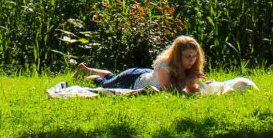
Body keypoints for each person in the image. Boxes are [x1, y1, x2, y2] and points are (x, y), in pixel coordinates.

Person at [75, 35, 206, 93]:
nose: (192, 60)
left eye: (195, 56)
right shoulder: (165, 64)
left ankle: (86, 69)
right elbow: (167, 90)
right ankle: (92, 76)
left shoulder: (190, 66)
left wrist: (196, 84)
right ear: (178, 55)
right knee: (105, 84)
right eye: (188, 56)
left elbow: (189, 90)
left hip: (147, 74)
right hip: (133, 79)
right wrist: (188, 81)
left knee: (111, 77)